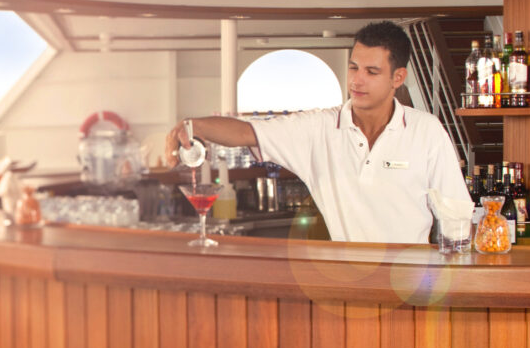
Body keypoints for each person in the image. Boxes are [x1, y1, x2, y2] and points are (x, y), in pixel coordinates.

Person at [165, 21, 469, 243]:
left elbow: (457, 216)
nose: (357, 81)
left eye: (371, 72)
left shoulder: (427, 131)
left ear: (398, 77)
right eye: (353, 68)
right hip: (346, 282)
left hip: (411, 283)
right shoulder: (318, 128)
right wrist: (193, 125)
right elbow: (246, 132)